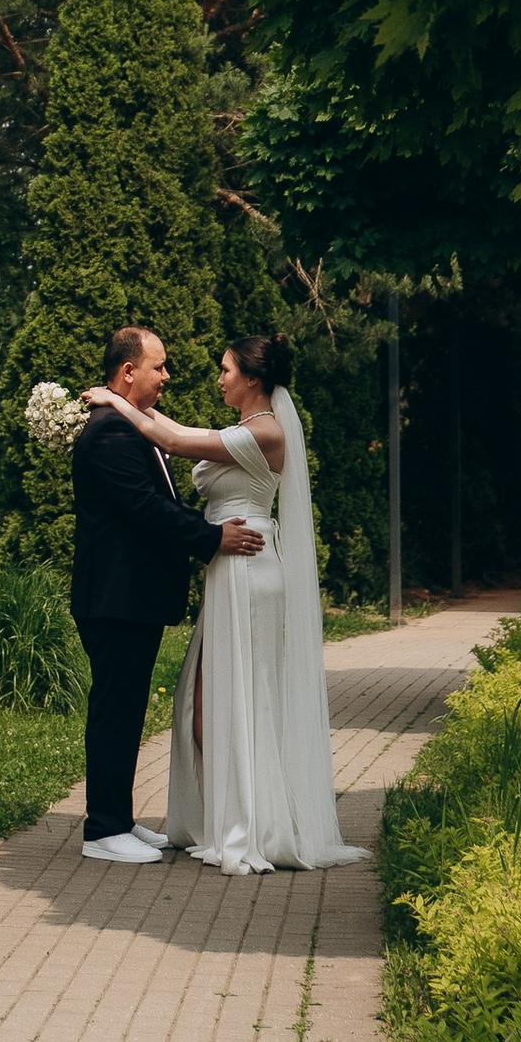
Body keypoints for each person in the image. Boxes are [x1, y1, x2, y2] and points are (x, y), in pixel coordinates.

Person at [83, 332, 363, 874]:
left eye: (226, 369)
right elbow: (168, 441)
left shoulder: (264, 431)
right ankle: (200, 817)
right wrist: (119, 404)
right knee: (208, 699)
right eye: (158, 368)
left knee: (235, 697)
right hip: (227, 566)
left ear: (253, 379)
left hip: (246, 564)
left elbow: (178, 441)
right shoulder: (240, 429)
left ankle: (248, 824)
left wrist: (117, 400)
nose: (218, 377)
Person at [69, 326, 264, 865]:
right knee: (115, 708)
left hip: (128, 597)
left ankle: (119, 819)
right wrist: (212, 538)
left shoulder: (129, 424)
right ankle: (102, 830)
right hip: (115, 597)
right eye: (158, 366)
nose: (166, 376)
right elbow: (146, 510)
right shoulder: (110, 433)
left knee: (127, 708)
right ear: (128, 371)